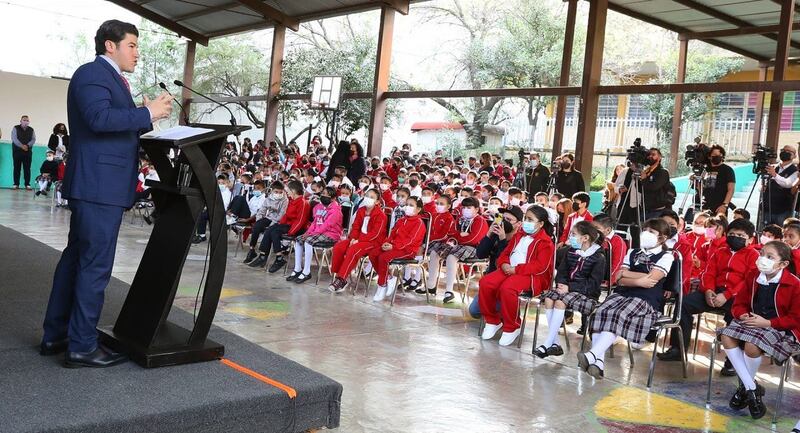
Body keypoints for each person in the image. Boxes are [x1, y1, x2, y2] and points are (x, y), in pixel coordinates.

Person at [41, 20, 173, 368]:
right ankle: (82, 345)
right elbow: (99, 119)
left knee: (77, 260)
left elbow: (112, 123)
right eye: (132, 45)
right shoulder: (92, 73)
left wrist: (144, 117)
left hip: (99, 184)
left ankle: (58, 334)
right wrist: (147, 112)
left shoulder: (110, 78)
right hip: (99, 185)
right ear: (110, 45)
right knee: (94, 265)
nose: (137, 53)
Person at [658, 218, 759, 376]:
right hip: (713, 291)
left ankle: (732, 361)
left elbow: (748, 281)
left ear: (750, 239)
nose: (735, 237)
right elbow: (708, 273)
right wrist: (708, 291)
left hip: (737, 295)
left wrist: (726, 295)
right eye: (732, 234)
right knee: (683, 303)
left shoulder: (753, 255)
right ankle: (678, 348)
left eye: (740, 235)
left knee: (738, 316)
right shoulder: (720, 252)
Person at [578, 218, 674, 379]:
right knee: (600, 311)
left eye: (651, 232)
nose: (645, 234)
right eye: (645, 230)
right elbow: (619, 277)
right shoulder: (633, 252)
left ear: (662, 238)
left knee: (618, 314)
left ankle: (591, 354)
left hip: (646, 299)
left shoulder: (667, 256)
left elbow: (652, 279)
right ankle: (598, 363)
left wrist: (629, 276)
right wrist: (638, 280)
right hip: (623, 293)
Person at [717, 241, 800, 419]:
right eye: (762, 254)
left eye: (770, 257)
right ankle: (751, 388)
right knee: (726, 335)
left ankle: (746, 389)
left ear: (783, 264)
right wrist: (742, 315)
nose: (763, 259)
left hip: (781, 328)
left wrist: (768, 323)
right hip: (754, 323)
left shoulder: (794, 284)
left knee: (751, 345)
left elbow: (795, 319)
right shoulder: (754, 276)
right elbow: (739, 305)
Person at [479, 205, 555, 346]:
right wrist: (504, 264)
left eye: (530, 219)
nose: (526, 221)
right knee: (486, 282)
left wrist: (516, 269)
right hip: (509, 269)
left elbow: (540, 266)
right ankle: (492, 320)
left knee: (508, 288)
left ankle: (512, 326)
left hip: (531, 276)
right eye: (526, 218)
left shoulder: (545, 242)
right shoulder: (519, 235)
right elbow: (505, 253)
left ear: (541, 224)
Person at [537, 221, 606, 358]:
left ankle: (549, 342)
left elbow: (594, 284)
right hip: (566, 290)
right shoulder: (571, 251)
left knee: (560, 302)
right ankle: (554, 343)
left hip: (587, 294)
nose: (571, 237)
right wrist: (562, 284)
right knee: (549, 299)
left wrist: (570, 287)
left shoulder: (599, 257)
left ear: (585, 238)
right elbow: (562, 272)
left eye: (574, 234)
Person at [425, 197, 489, 303]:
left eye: (469, 207)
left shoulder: (480, 221)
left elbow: (474, 239)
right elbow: (451, 233)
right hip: (459, 245)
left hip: (475, 249)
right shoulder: (460, 219)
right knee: (434, 252)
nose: (465, 209)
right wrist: (461, 235)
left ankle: (449, 291)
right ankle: (431, 285)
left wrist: (458, 237)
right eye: (464, 207)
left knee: (451, 256)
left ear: (477, 209)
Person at [328, 188, 388, 293]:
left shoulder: (381, 215)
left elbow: (375, 234)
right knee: (339, 247)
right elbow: (355, 226)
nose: (368, 198)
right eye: (367, 196)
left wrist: (358, 240)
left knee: (354, 250)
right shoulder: (361, 210)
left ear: (377, 202)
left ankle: (342, 279)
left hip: (373, 242)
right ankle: (338, 276)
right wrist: (353, 238)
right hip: (357, 239)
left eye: (372, 197)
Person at [369, 196, 426, 302]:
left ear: (418, 209)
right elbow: (393, 233)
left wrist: (393, 246)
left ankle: (382, 285)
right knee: (373, 253)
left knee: (383, 257)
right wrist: (386, 242)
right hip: (394, 247)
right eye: (407, 204)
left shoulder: (419, 223)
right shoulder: (401, 220)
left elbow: (410, 240)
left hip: (407, 251)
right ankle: (390, 277)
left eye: (411, 205)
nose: (407, 207)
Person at [249, 180, 311, 271]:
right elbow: (286, 215)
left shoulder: (303, 203)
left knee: (275, 232)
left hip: (297, 228)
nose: (287, 193)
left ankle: (279, 258)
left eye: (288, 191)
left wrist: (290, 233)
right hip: (289, 225)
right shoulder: (292, 200)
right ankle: (263, 255)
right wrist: (280, 224)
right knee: (270, 230)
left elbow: (300, 220)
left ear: (293, 191)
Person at [287, 186, 343, 283]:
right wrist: (308, 232)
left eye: (327, 195)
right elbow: (315, 222)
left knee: (308, 241)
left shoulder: (336, 211)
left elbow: (326, 226)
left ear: (333, 198)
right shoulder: (319, 207)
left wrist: (310, 235)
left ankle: (306, 271)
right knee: (299, 239)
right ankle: (297, 269)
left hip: (331, 235)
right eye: (323, 193)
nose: (324, 196)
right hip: (317, 233)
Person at [243, 181, 288, 264]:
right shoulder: (268, 199)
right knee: (256, 227)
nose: (278, 194)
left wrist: (271, 224)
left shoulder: (285, 200)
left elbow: (281, 215)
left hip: (278, 220)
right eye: (276, 192)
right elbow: (261, 211)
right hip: (268, 218)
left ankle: (263, 255)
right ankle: (252, 249)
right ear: (272, 191)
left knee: (268, 230)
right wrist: (259, 221)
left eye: (281, 192)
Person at [763, 144, 798, 225]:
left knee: (780, 233)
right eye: (783, 150)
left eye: (789, 151)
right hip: (767, 207)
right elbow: (764, 183)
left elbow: (788, 183)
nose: (785, 152)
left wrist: (775, 175)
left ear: (794, 156)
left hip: (782, 210)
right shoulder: (773, 167)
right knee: (765, 232)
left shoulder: (795, 171)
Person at [702, 144, 735, 217]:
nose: (717, 156)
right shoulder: (705, 170)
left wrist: (725, 205)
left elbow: (731, 189)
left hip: (719, 207)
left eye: (720, 155)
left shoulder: (728, 170)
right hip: (705, 206)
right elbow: (701, 188)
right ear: (709, 157)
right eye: (714, 154)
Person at [640, 148, 674, 219]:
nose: (650, 157)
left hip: (658, 211)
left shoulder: (663, 172)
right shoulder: (646, 171)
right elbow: (640, 189)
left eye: (653, 154)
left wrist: (644, 179)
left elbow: (653, 187)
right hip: (645, 209)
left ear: (659, 157)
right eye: (649, 155)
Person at [11, 115, 36, 190]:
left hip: (27, 152)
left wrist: (27, 146)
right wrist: (21, 146)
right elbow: (14, 138)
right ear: (20, 121)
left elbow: (33, 139)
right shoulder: (15, 128)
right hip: (17, 151)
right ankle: (16, 184)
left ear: (29, 122)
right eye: (24, 120)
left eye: (27, 120)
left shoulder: (31, 129)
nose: (26, 121)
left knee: (27, 168)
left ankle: (27, 184)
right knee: (16, 168)